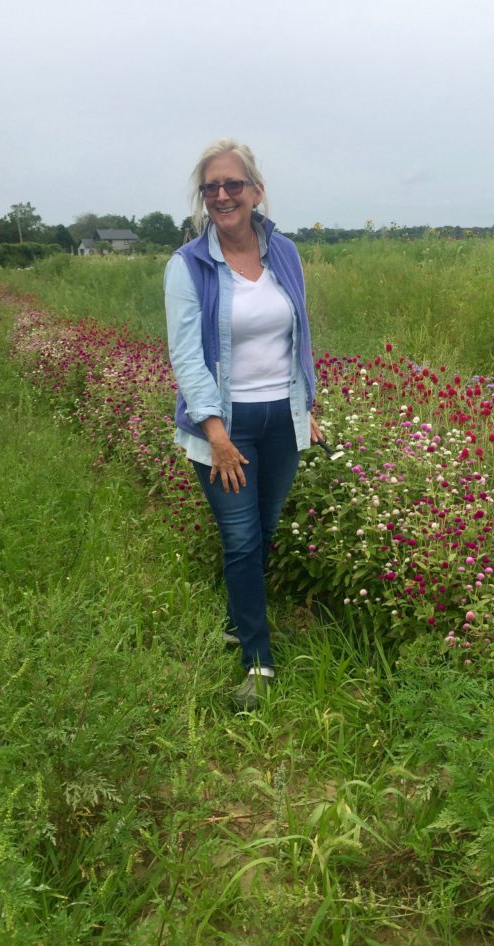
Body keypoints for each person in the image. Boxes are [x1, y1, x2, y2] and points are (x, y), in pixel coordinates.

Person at [164, 139, 321, 709]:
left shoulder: (284, 253)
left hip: (281, 415)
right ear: (203, 199)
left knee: (266, 527)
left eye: (233, 185)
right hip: (223, 425)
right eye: (212, 188)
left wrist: (309, 408)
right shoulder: (188, 266)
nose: (222, 195)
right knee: (241, 537)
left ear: (255, 191)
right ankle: (258, 661)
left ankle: (238, 617)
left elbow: (298, 334)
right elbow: (186, 355)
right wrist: (215, 433)